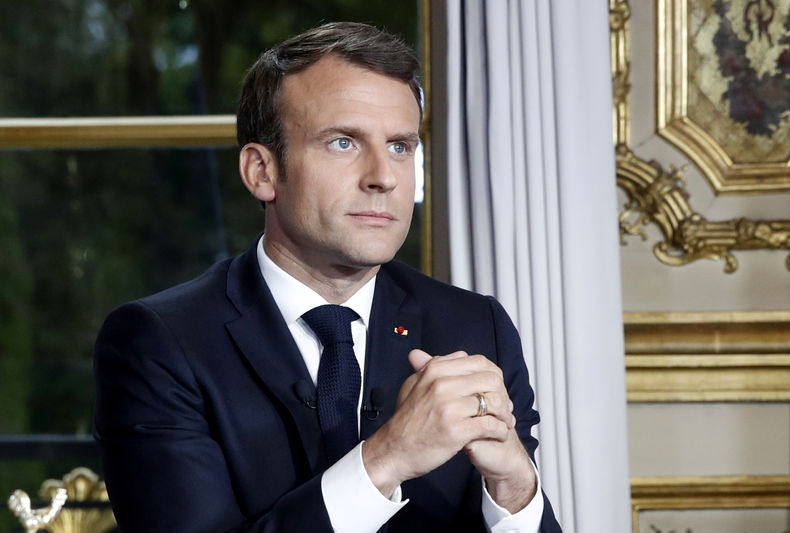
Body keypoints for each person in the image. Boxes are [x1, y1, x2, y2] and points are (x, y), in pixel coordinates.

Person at [93, 22, 562, 533]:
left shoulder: (475, 326)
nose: (383, 175)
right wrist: (387, 458)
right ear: (262, 172)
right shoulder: (158, 343)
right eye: (343, 143)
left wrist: (516, 489)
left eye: (401, 146)